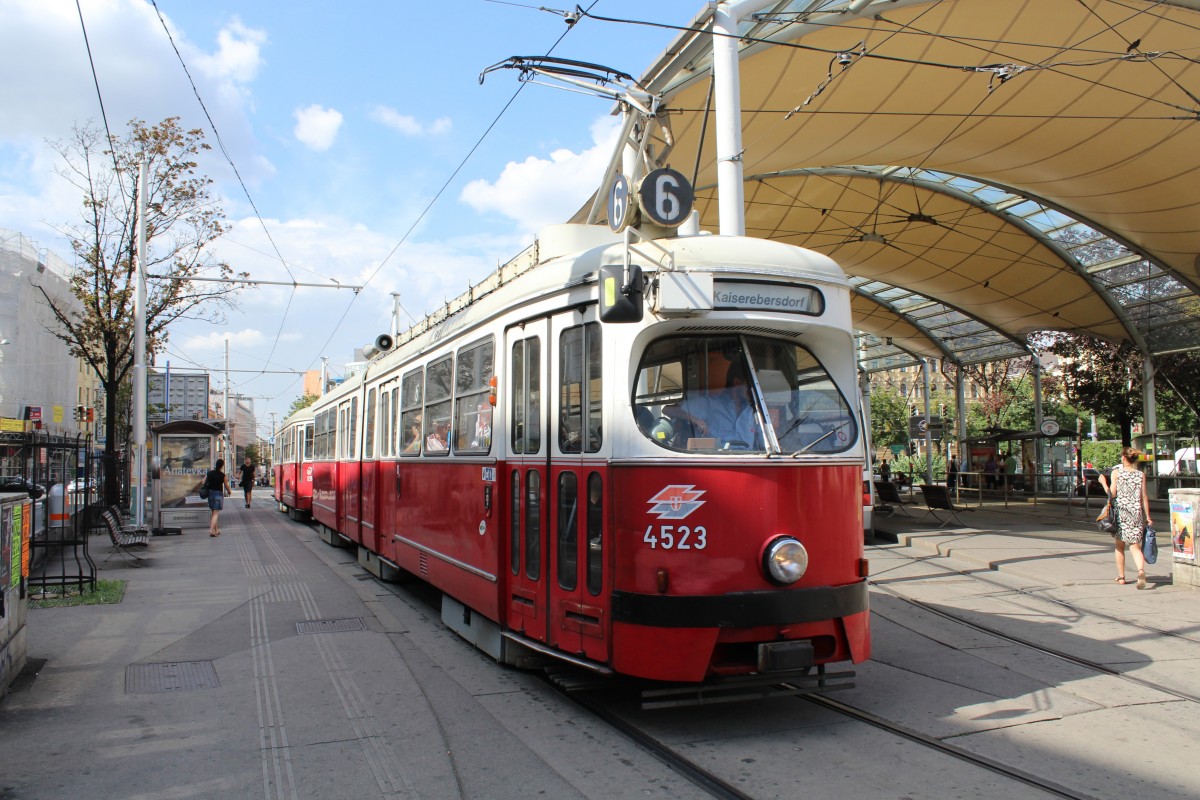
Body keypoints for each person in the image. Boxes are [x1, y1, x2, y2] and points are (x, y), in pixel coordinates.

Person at [1098, 446, 1153, 589]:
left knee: (1120, 546)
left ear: (1123, 457)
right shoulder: (1140, 475)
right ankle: (1140, 571)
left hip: (1121, 514)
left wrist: (1104, 483)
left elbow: (1112, 494)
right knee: (1135, 546)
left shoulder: (1117, 473)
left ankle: (1121, 577)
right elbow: (1144, 497)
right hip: (1136, 513)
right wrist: (1148, 517)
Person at [204, 458, 232, 537]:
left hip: (210, 493)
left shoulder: (209, 473)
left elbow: (203, 481)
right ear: (222, 466)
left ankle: (216, 530)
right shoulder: (222, 475)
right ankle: (211, 530)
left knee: (213, 512)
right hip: (218, 494)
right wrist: (229, 491)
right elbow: (226, 485)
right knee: (216, 513)